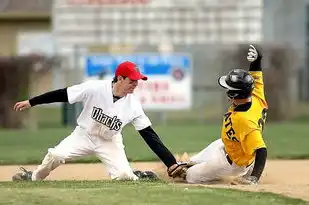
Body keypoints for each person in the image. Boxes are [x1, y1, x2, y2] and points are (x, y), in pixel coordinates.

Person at [12, 61, 187, 181]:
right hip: (83, 135)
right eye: (132, 80)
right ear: (120, 78)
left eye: (138, 81)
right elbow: (63, 94)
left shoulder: (133, 105)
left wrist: (171, 163)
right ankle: (33, 177)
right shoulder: (94, 88)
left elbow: (150, 136)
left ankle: (137, 175)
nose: (136, 84)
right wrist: (32, 102)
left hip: (109, 141)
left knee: (124, 177)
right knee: (57, 155)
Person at [179, 45, 268, 185]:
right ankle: (191, 162)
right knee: (191, 161)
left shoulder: (244, 120)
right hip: (229, 143)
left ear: (233, 94)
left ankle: (233, 174)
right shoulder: (256, 95)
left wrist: (254, 177)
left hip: (232, 163)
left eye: (228, 88)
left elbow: (261, 150)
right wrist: (257, 60)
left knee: (190, 176)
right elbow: (256, 75)